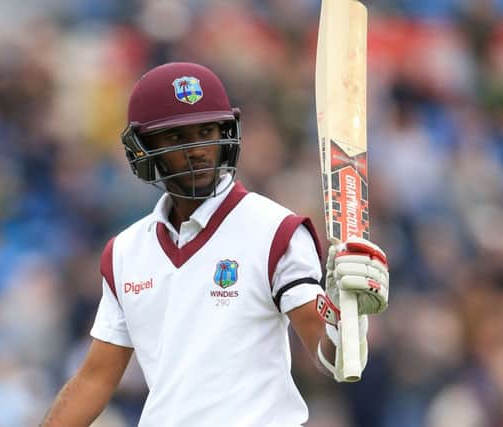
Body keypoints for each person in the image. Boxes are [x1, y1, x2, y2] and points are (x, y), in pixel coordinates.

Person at [40, 62, 389, 427]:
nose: (198, 150)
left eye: (206, 131)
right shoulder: (125, 252)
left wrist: (349, 320)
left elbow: (328, 358)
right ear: (144, 149)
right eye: (176, 138)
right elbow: (95, 379)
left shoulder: (275, 230)